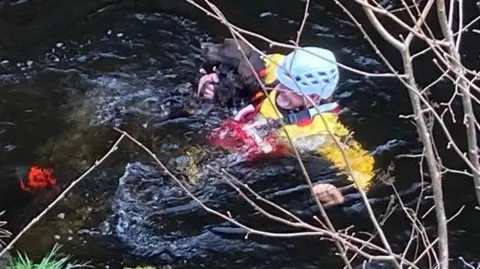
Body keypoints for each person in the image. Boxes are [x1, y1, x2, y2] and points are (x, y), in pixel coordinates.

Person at [197, 45, 375, 207]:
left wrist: (340, 192)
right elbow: (236, 52)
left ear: (312, 98)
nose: (281, 90)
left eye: (291, 89)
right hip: (234, 121)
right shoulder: (279, 66)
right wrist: (209, 77)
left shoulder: (321, 130)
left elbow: (359, 165)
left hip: (253, 158)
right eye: (282, 81)